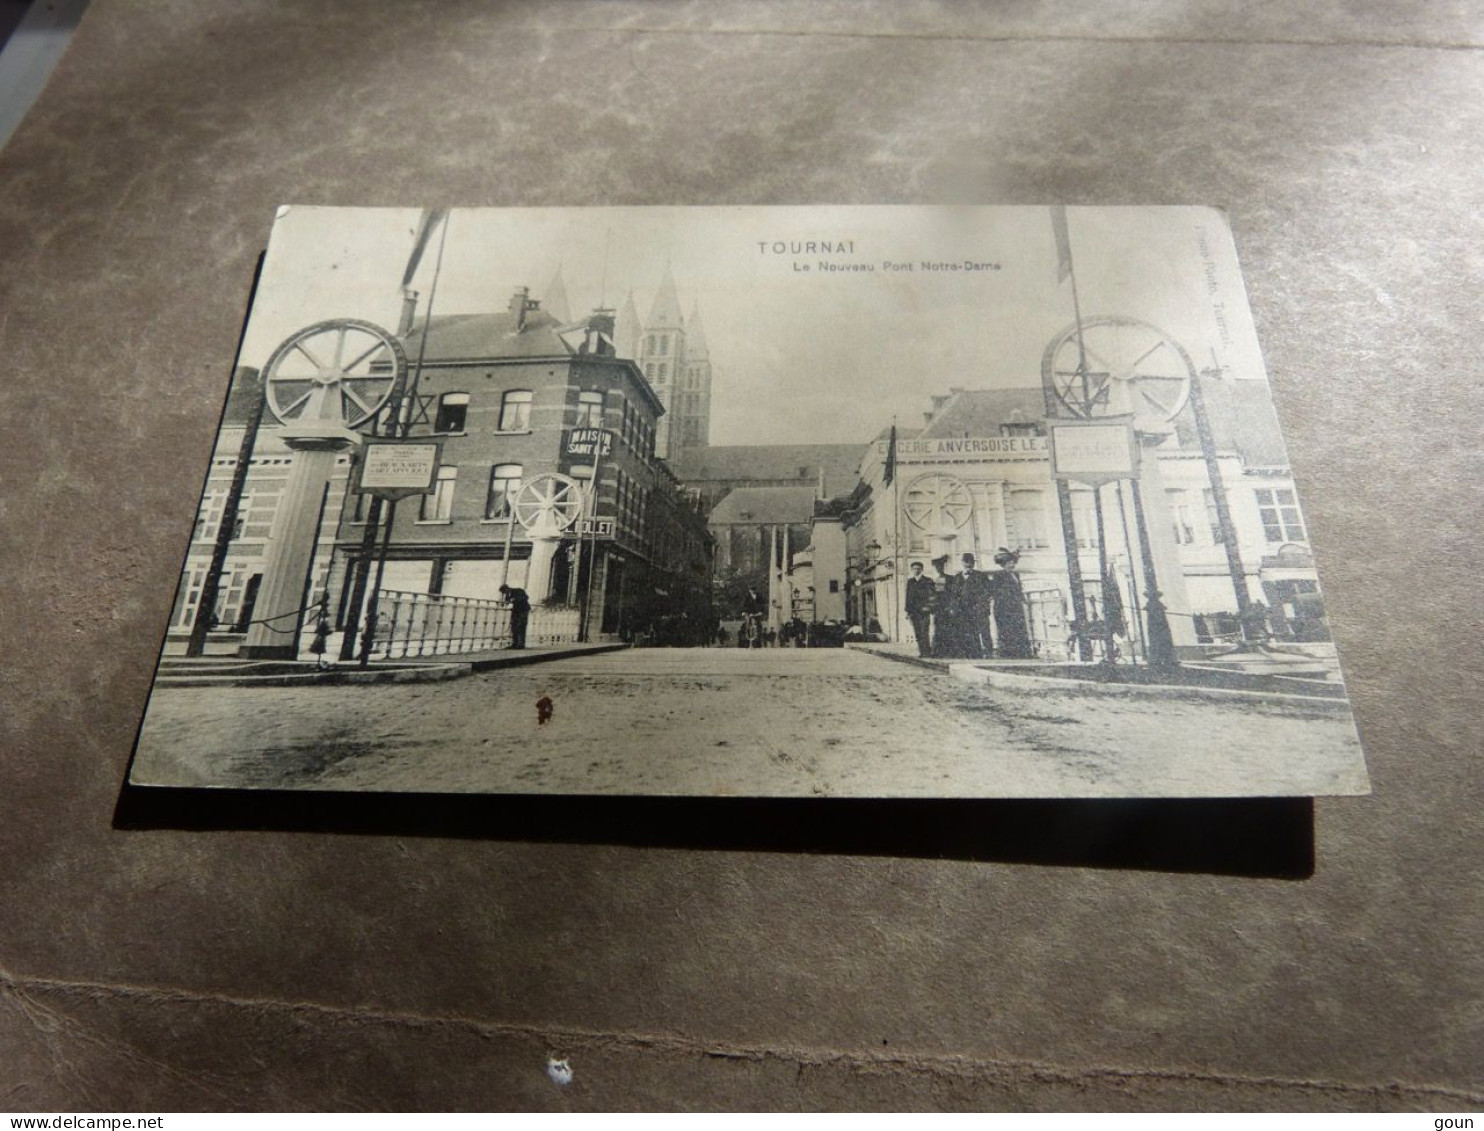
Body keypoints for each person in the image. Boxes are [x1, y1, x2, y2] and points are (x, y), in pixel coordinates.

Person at [990, 547, 1035, 659]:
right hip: (1004, 608)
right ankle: (1007, 653)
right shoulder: (998, 575)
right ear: (1004, 564)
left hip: (1016, 607)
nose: (1012, 565)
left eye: (1013, 563)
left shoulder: (1016, 575)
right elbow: (996, 592)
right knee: (1007, 629)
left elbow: (1018, 590)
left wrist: (1022, 599)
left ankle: (1021, 652)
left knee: (1018, 628)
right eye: (1009, 563)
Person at [958, 552, 995, 658]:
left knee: (984, 631)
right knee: (970, 632)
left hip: (980, 608)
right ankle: (974, 654)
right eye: (966, 562)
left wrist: (981, 604)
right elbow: (955, 594)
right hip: (965, 610)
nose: (968, 564)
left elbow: (988, 591)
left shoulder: (981, 576)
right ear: (962, 563)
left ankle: (989, 653)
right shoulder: (957, 577)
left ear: (973, 563)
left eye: (970, 562)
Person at [904, 560, 934, 657]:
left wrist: (929, 608)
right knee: (917, 633)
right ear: (912, 570)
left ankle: (927, 652)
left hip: (924, 612)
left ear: (922, 570)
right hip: (913, 612)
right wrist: (908, 611)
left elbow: (932, 596)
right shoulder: (910, 582)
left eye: (918, 569)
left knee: (924, 631)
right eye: (914, 569)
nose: (916, 570)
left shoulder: (928, 581)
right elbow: (908, 597)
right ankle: (922, 652)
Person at [499, 583, 530, 649]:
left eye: (504, 592)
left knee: (521, 626)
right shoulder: (507, 594)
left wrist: (515, 599)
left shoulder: (518, 590)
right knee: (514, 627)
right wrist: (504, 603)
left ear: (507, 588)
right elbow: (507, 602)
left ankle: (520, 644)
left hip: (523, 610)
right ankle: (515, 643)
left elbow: (526, 597)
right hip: (516, 611)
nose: (504, 593)